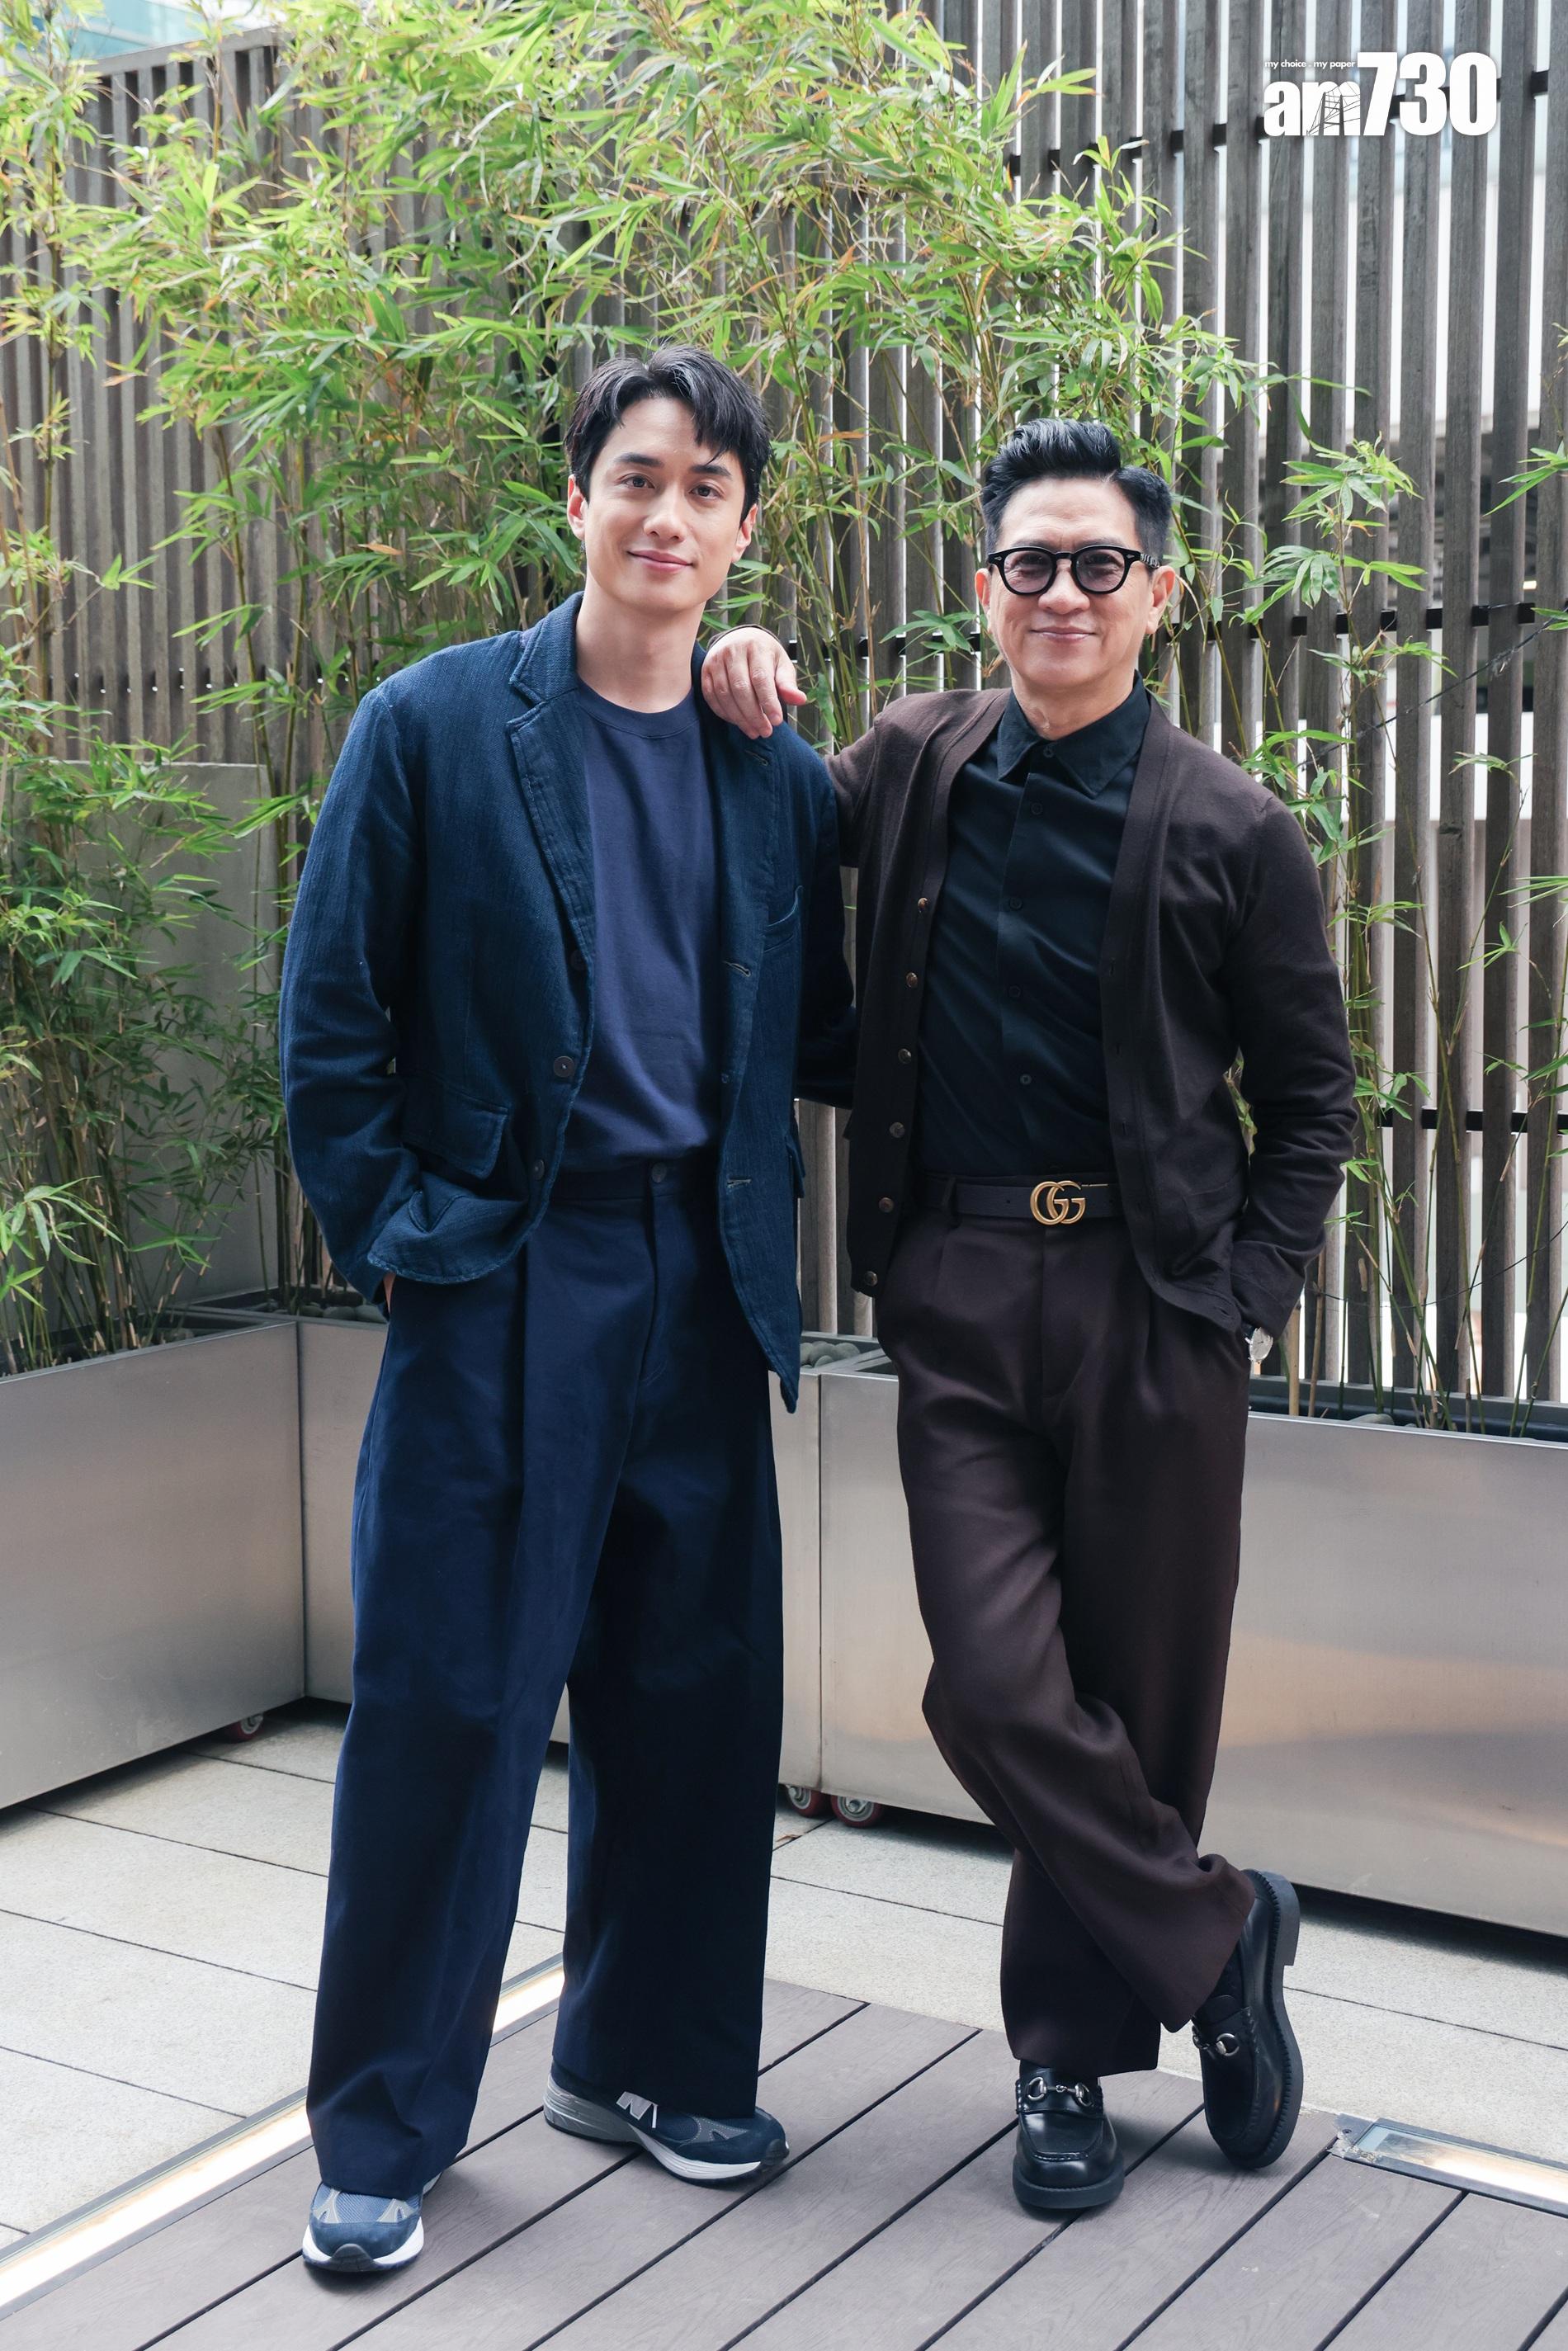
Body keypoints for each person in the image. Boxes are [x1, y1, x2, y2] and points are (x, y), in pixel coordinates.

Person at [699, 418, 1357, 2216]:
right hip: (966, 1284)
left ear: (1159, 591)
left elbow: (1311, 1105)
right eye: (1028, 563)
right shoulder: (914, 759)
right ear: (983, 589)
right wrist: (740, 664)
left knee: (1134, 1697)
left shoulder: (1233, 826)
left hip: (1155, 1302)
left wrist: (1236, 1307)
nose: (1061, 592)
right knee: (991, 1682)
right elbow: (767, 797)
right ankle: (1217, 1935)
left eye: (1097, 563)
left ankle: (1063, 2061)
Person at [279, 347, 856, 2273]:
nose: (666, 515)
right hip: (505, 1268)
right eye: (637, 478)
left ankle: (650, 2064)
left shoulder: (771, 769)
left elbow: (829, 1014)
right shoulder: (437, 723)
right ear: (577, 501)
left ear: (742, 529)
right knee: (449, 1696)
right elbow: (332, 1016)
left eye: (705, 489)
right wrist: (400, 1239)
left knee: (694, 1692)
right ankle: (382, 2125)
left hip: (703, 1272)